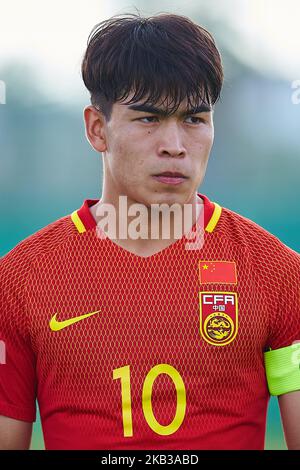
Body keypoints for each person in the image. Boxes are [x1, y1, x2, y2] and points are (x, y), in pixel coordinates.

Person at [0, 12, 299, 451]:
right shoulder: (20, 279)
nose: (175, 145)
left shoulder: (279, 274)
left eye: (194, 119)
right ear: (97, 128)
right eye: (148, 119)